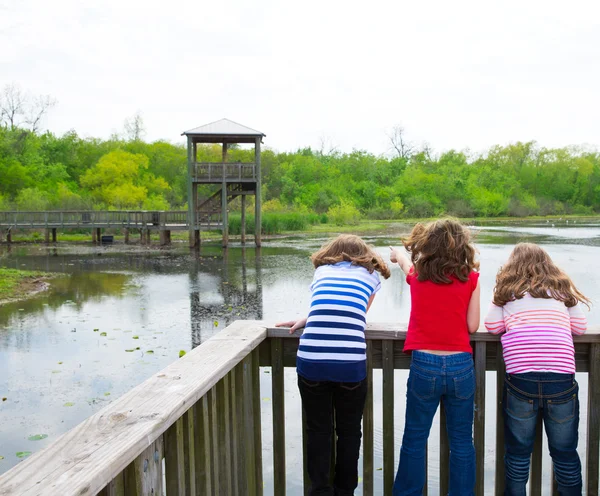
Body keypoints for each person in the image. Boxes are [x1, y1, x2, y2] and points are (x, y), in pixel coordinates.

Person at [276, 234, 390, 496]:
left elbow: (325, 307)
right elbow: (358, 312)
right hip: (349, 363)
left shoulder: (322, 272)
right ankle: (345, 491)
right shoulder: (371, 276)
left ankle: (320, 490)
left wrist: (307, 319)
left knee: (318, 430)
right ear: (364, 255)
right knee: (349, 433)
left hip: (312, 359)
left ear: (332, 252)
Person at [484, 243, 590, 496]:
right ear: (548, 265)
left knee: (518, 455)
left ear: (512, 266)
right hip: (560, 382)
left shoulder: (507, 292)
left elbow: (491, 326)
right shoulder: (561, 291)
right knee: (564, 453)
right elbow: (580, 327)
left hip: (521, 382)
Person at [390, 218, 480, 496]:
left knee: (415, 438)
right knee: (462, 442)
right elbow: (473, 327)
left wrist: (399, 255)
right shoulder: (471, 279)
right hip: (460, 365)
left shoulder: (419, 276)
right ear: (461, 246)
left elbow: (406, 266)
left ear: (428, 245)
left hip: (425, 364)